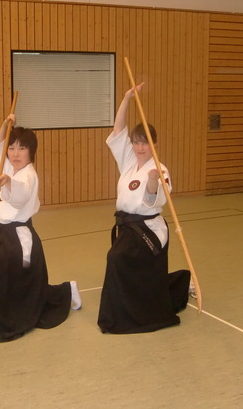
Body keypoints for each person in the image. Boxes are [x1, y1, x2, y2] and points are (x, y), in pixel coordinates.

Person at [0, 113, 82, 343]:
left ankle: (61, 294)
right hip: (5, 236)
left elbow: (20, 194)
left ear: (31, 152)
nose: (15, 153)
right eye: (12, 148)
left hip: (20, 241)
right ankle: (63, 292)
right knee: (16, 282)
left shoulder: (27, 175)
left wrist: (8, 182)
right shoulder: (8, 165)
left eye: (22, 149)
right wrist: (6, 123)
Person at [97, 83, 191, 334]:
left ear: (153, 144)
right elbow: (118, 129)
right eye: (136, 143)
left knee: (116, 258)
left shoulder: (161, 169)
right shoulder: (128, 160)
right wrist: (127, 98)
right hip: (128, 227)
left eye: (145, 143)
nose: (140, 148)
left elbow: (154, 201)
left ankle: (131, 313)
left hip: (149, 229)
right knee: (120, 260)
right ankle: (125, 307)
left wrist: (152, 182)